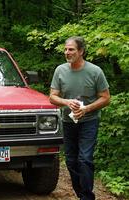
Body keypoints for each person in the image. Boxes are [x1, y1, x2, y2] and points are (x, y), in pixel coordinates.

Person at [49, 36, 110, 200]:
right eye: (65, 49)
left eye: (71, 49)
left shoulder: (95, 71)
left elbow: (105, 97)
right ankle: (81, 194)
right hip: (68, 122)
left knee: (84, 159)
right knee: (70, 161)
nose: (67, 52)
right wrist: (66, 102)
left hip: (89, 121)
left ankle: (87, 197)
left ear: (81, 51)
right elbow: (52, 97)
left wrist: (87, 109)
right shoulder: (60, 70)